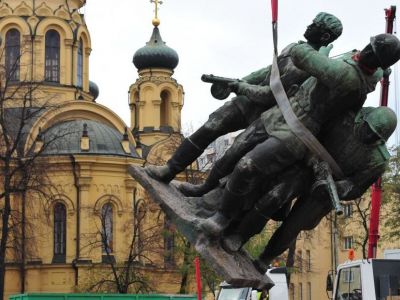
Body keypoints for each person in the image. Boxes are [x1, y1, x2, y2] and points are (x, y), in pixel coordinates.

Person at [199, 34, 400, 236]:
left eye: (372, 54)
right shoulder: (368, 71)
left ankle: (222, 217)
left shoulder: (347, 74)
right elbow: (376, 71)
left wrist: (322, 52)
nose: (364, 52)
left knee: (247, 166)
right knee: (235, 150)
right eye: (368, 47)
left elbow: (299, 54)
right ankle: (204, 191)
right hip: (279, 113)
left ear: (376, 62)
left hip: (298, 129)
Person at [146, 12, 343, 188]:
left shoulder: (309, 66)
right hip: (247, 101)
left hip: (266, 114)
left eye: (314, 26)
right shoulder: (294, 47)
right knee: (211, 126)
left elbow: (270, 93)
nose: (308, 26)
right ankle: (170, 169)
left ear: (325, 36)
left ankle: (205, 191)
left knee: (235, 152)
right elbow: (268, 71)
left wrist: (240, 87)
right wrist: (236, 81)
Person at [220, 106, 397, 257]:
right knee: (274, 196)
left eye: (374, 136)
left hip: (327, 191)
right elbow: (311, 132)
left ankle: (266, 258)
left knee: (294, 225)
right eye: (368, 129)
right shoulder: (344, 117)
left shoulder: (378, 160)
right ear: (363, 118)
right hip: (307, 167)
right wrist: (314, 161)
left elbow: (356, 187)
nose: (368, 136)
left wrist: (336, 187)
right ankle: (241, 235)